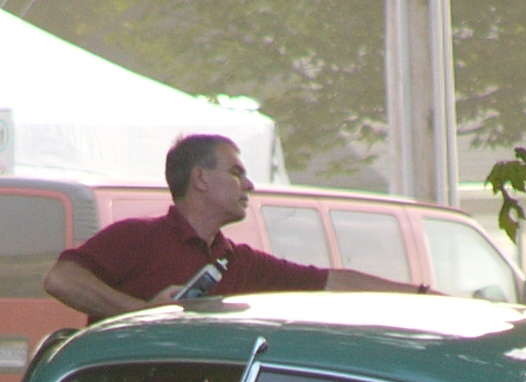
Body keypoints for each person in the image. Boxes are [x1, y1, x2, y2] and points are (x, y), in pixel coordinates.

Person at [42, 133, 432, 320]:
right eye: (236, 172)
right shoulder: (136, 237)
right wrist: (146, 315)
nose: (249, 185)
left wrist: (426, 297)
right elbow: (60, 279)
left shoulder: (238, 262)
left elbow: (332, 281)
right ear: (200, 178)